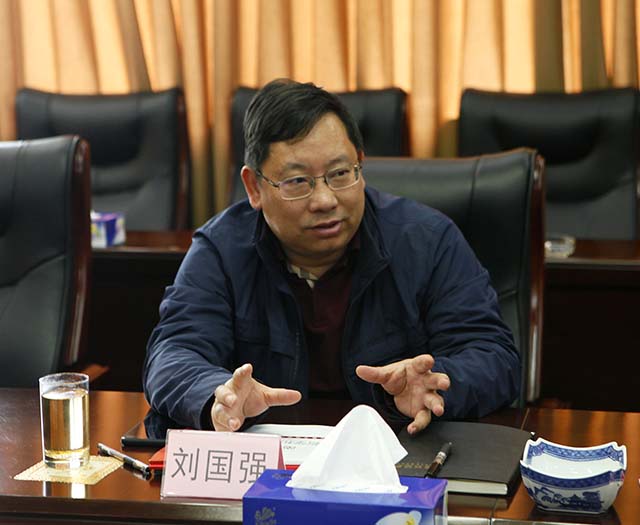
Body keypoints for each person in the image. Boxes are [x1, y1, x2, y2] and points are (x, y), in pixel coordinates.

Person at [143, 79, 520, 436]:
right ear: (254, 187)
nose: (325, 200)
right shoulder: (221, 250)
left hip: (399, 454)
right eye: (297, 181)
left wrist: (437, 383)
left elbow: (493, 356)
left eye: (340, 173)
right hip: (271, 460)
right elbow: (173, 354)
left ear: (360, 164)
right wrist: (219, 396)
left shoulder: (427, 240)